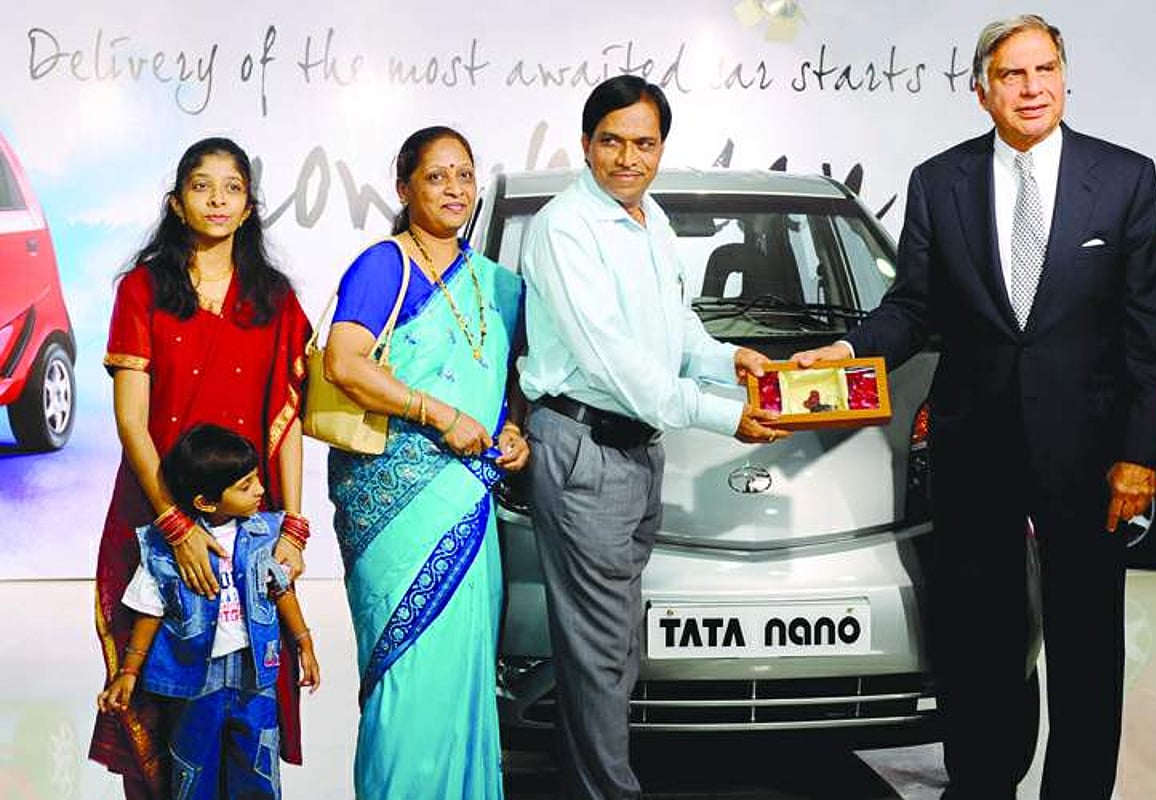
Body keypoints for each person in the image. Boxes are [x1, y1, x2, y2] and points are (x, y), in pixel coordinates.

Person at [795, 15, 1156, 799]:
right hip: (976, 451)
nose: (1032, 88)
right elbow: (912, 307)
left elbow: (1150, 338)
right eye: (1013, 75)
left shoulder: (1127, 179)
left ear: (1066, 77)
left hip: (1092, 459)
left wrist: (1141, 456)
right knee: (982, 645)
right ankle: (982, 783)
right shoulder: (942, 182)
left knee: (1086, 645)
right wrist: (850, 353)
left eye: (1045, 70)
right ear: (981, 91)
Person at [519, 75, 784, 799]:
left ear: (662, 147)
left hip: (635, 452)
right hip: (586, 447)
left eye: (644, 143)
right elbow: (615, 360)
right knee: (601, 652)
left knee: (610, 649)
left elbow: (674, 332)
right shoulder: (564, 228)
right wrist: (722, 413)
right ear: (585, 144)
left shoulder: (649, 217)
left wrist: (727, 358)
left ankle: (593, 785)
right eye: (612, 141)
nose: (627, 158)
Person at [91, 137, 313, 798]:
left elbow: (290, 418)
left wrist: (293, 529)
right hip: (156, 516)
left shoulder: (272, 297)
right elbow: (133, 419)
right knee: (159, 696)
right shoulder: (143, 288)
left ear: (249, 207)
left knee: (249, 706)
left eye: (232, 188)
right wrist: (173, 524)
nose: (217, 199)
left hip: (247, 526)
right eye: (201, 185)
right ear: (176, 202)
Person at [322, 125, 528, 799]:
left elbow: (508, 386)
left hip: (469, 504)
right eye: (436, 177)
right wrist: (436, 414)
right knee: (405, 688)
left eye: (464, 176)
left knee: (463, 678)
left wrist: (515, 431)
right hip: (394, 516)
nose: (453, 189)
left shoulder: (497, 285)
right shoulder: (384, 266)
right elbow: (343, 362)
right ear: (405, 187)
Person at [97, 424, 320, 800]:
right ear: (206, 501)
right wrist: (129, 671)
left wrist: (304, 643)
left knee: (258, 768)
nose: (261, 491)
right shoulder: (166, 548)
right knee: (192, 769)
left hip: (254, 678)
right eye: (246, 485)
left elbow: (281, 590)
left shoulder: (265, 533)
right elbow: (150, 609)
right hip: (194, 680)